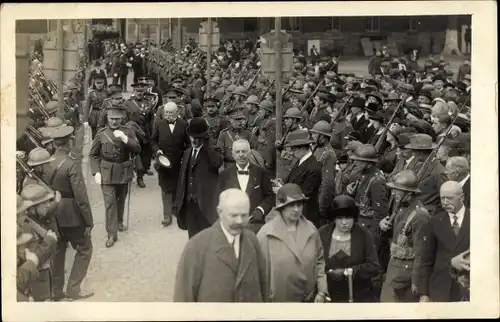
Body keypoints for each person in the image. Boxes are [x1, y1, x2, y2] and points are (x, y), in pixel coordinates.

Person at [174, 189, 268, 302]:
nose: (239, 221)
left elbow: (263, 286)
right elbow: (183, 297)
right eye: (233, 215)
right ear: (219, 212)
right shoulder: (196, 246)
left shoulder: (252, 240)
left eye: (244, 215)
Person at [41, 125, 94, 301]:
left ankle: (56, 292)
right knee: (85, 248)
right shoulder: (71, 164)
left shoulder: (46, 163)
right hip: (72, 214)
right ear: (69, 142)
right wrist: (88, 221)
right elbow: (81, 196)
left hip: (53, 214)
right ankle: (73, 289)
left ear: (55, 144)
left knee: (57, 252)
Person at [257, 184, 329, 302]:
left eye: (299, 204)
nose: (296, 209)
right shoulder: (266, 234)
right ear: (281, 207)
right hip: (278, 303)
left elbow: (319, 261)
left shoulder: (311, 229)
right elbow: (258, 273)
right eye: (291, 205)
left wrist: (321, 291)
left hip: (308, 301)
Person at [89, 104, 141, 248]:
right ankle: (111, 234)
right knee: (110, 203)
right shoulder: (101, 133)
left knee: (121, 199)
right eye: (112, 119)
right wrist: (96, 172)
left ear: (122, 118)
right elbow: (93, 155)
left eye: (117, 119)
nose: (114, 122)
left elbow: (137, 149)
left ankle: (119, 221)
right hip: (107, 171)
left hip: (124, 170)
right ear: (107, 118)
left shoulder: (128, 132)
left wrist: (125, 139)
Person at [380, 170, 431, 302]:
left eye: (397, 190)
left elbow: (421, 254)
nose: (393, 193)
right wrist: (383, 226)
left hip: (406, 277)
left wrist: (416, 283)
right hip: (394, 270)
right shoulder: (402, 208)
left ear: (409, 194)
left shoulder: (420, 216)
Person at [318, 195, 380, 302]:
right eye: (340, 218)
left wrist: (348, 272)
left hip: (358, 294)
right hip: (329, 293)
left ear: (354, 218)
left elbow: (373, 266)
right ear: (334, 218)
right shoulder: (322, 233)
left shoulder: (364, 234)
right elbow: (315, 263)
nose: (344, 222)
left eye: (348, 218)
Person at [419, 181, 470, 302]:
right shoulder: (435, 222)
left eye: (449, 198)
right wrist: (424, 294)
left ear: (461, 197)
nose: (445, 202)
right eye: (442, 198)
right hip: (440, 289)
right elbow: (426, 260)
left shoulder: (476, 219)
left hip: (466, 290)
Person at [174, 117, 224, 238]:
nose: (194, 141)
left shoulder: (211, 152)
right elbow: (182, 180)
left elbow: (217, 162)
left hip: (205, 204)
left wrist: (207, 145)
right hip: (189, 203)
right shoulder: (187, 153)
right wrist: (179, 201)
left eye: (198, 138)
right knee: (192, 236)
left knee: (207, 236)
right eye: (192, 137)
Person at [217, 139, 274, 234]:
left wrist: (260, 210)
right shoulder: (224, 175)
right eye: (237, 152)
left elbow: (270, 196)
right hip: (232, 226)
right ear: (233, 154)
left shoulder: (261, 173)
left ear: (250, 152)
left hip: (256, 226)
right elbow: (219, 200)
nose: (241, 155)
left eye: (244, 151)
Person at [151, 102, 190, 227]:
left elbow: (188, 143)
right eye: (166, 112)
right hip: (163, 162)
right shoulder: (159, 124)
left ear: (177, 113)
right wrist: (157, 150)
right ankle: (167, 216)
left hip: (179, 162)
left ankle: (176, 210)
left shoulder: (183, 124)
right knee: (165, 188)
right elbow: (153, 141)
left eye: (170, 112)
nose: (167, 115)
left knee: (178, 187)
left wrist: (185, 156)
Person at [280, 129, 322, 228]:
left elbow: (304, 195)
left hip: (305, 215)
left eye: (294, 149)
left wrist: (282, 190)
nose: (292, 152)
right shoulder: (301, 161)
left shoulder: (313, 167)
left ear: (303, 148)